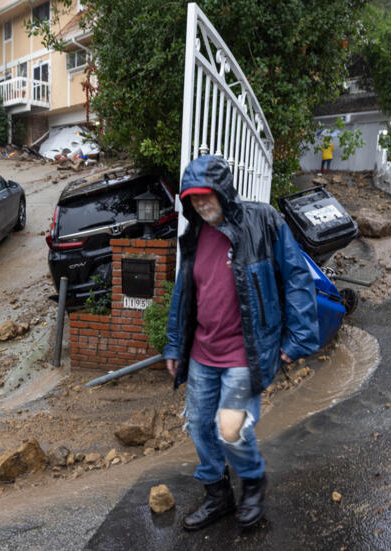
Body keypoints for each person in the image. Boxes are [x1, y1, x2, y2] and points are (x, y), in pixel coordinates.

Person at [163, 154, 319, 532]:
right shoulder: (195, 233)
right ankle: (218, 495)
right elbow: (184, 293)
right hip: (203, 351)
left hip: (244, 352)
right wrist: (173, 343)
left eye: (206, 196)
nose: (200, 204)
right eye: (193, 199)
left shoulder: (262, 220)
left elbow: (297, 276)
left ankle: (252, 483)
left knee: (230, 429)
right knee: (199, 425)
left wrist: (298, 337)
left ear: (223, 191)